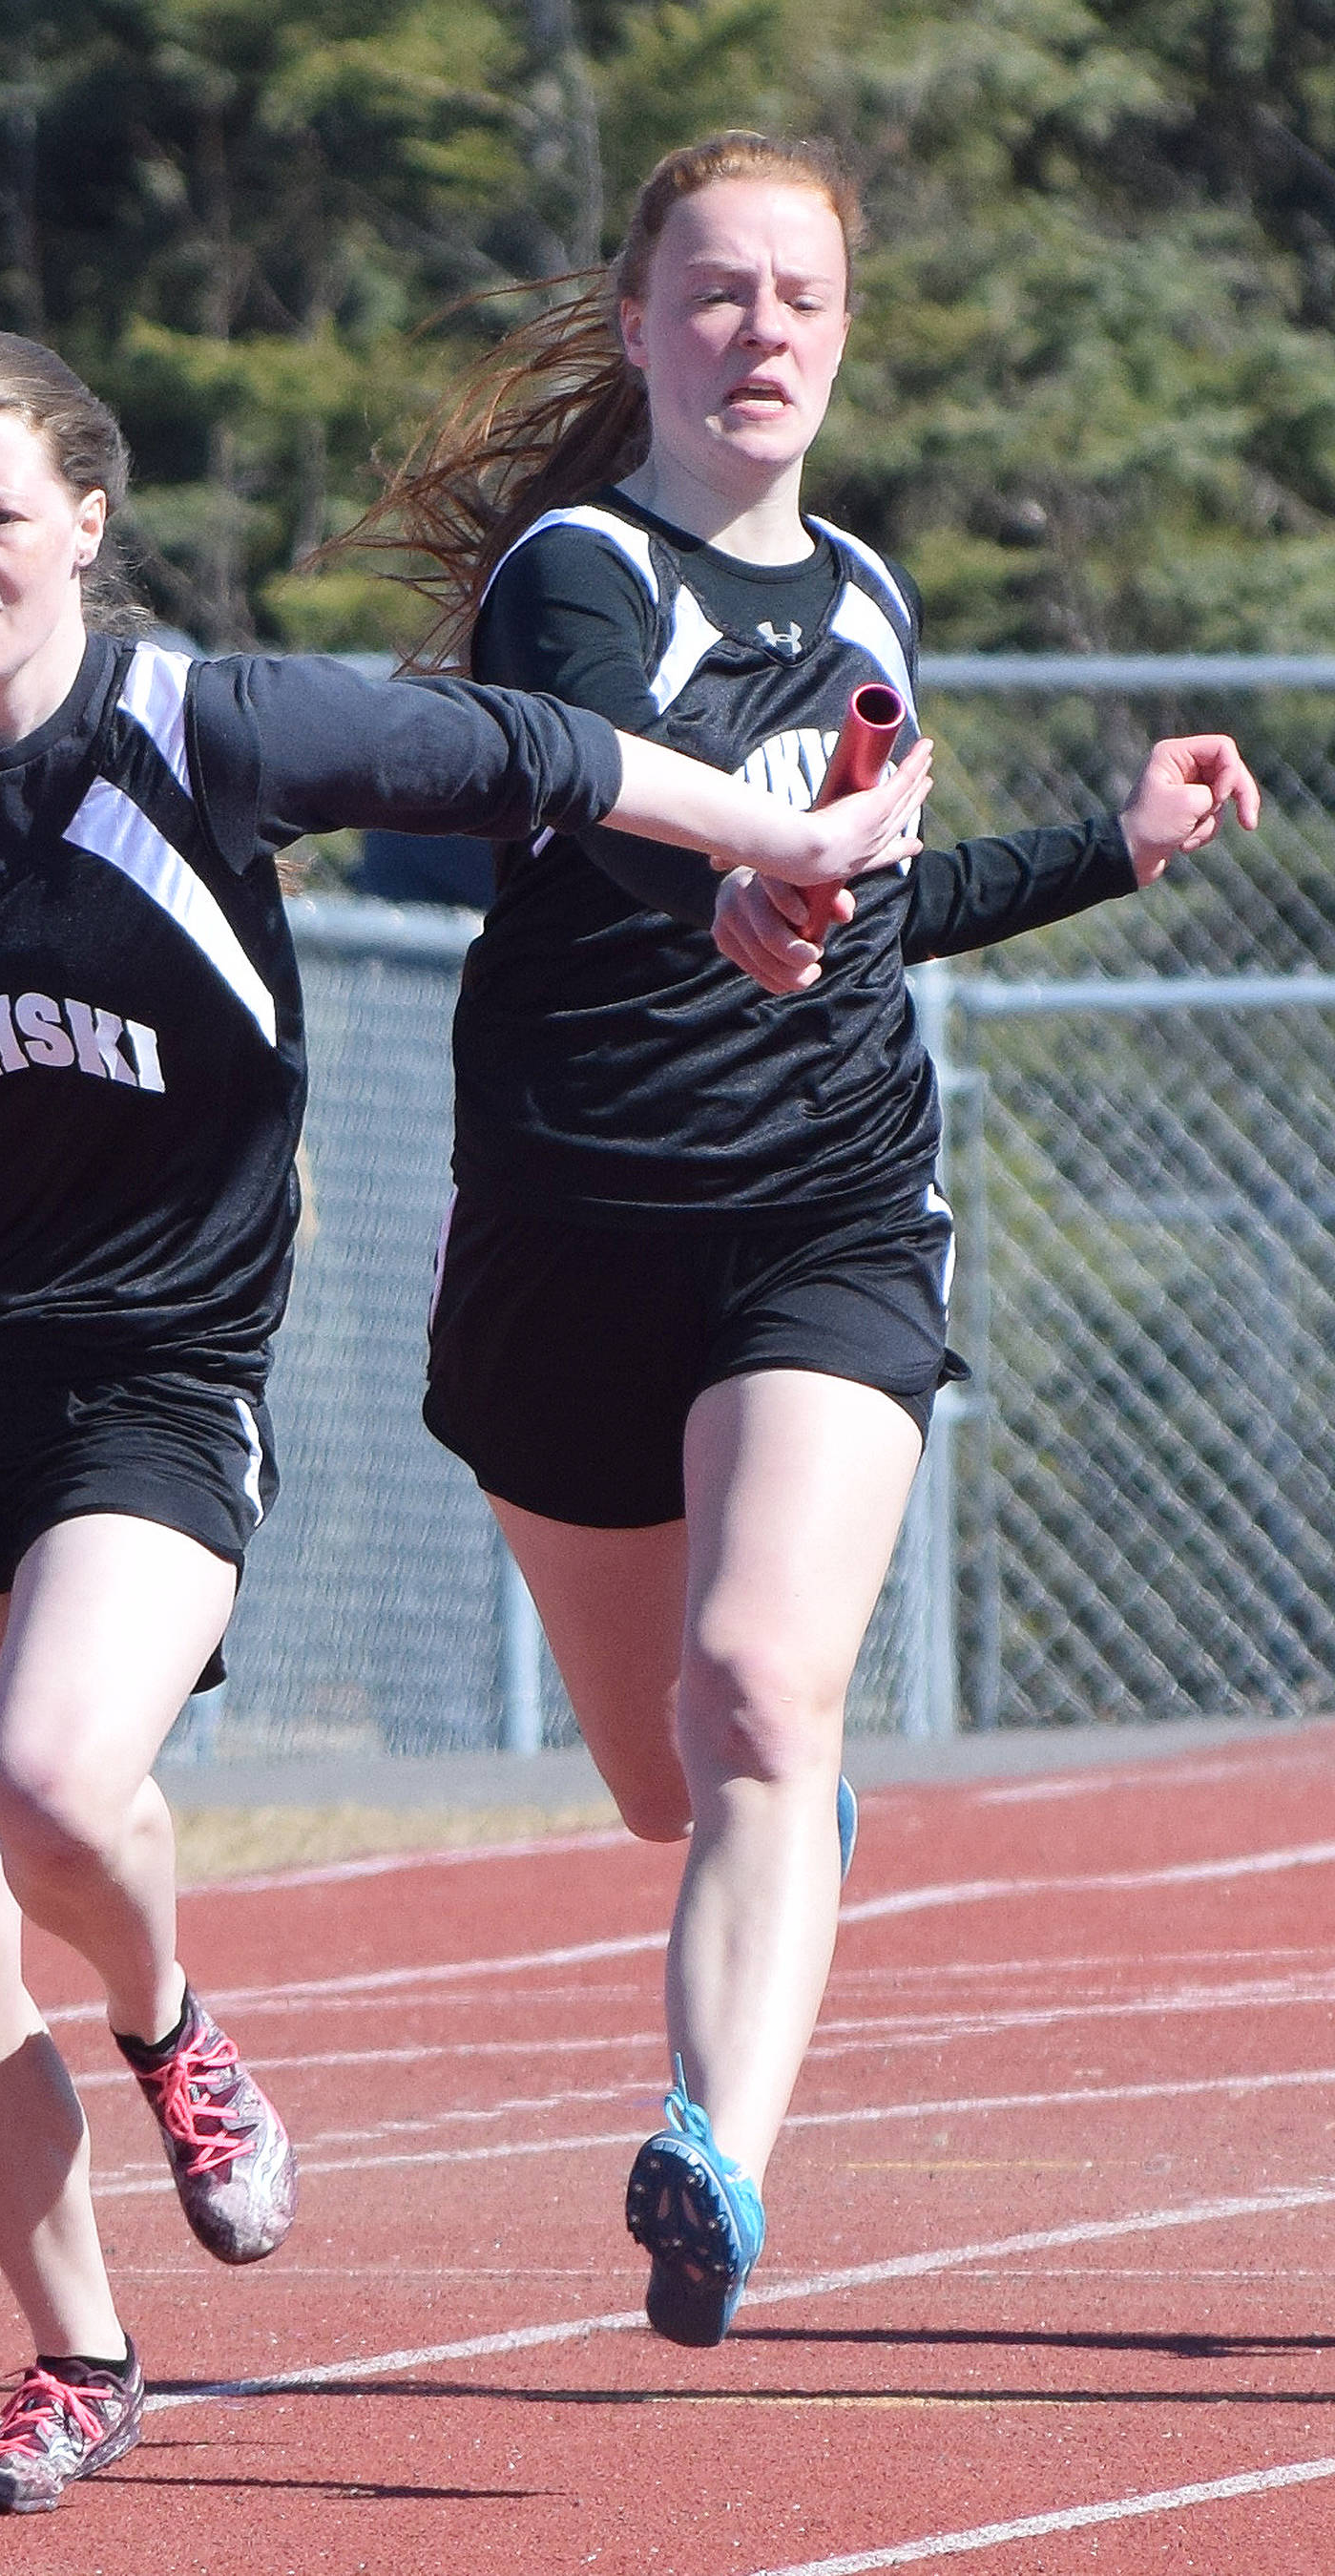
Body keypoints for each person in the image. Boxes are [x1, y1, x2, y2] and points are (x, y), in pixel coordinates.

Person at [0, 326, 932, 2517]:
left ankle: (168, 2006)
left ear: (83, 525)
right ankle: (75, 2351)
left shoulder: (192, 723)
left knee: (47, 1779)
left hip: (153, 1364)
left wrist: (773, 832)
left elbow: (532, 751)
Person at [345, 131, 1260, 2350]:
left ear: (842, 339)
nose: (761, 332)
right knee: (667, 1769)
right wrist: (739, 880)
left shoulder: (856, 590)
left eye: (801, 299)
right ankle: (784, 1833)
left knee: (755, 1682)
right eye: (719, 293)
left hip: (820, 1216)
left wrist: (1103, 853)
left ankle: (710, 2147)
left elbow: (865, 905)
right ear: (642, 320)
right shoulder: (579, 568)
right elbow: (592, 781)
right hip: (568, 1236)